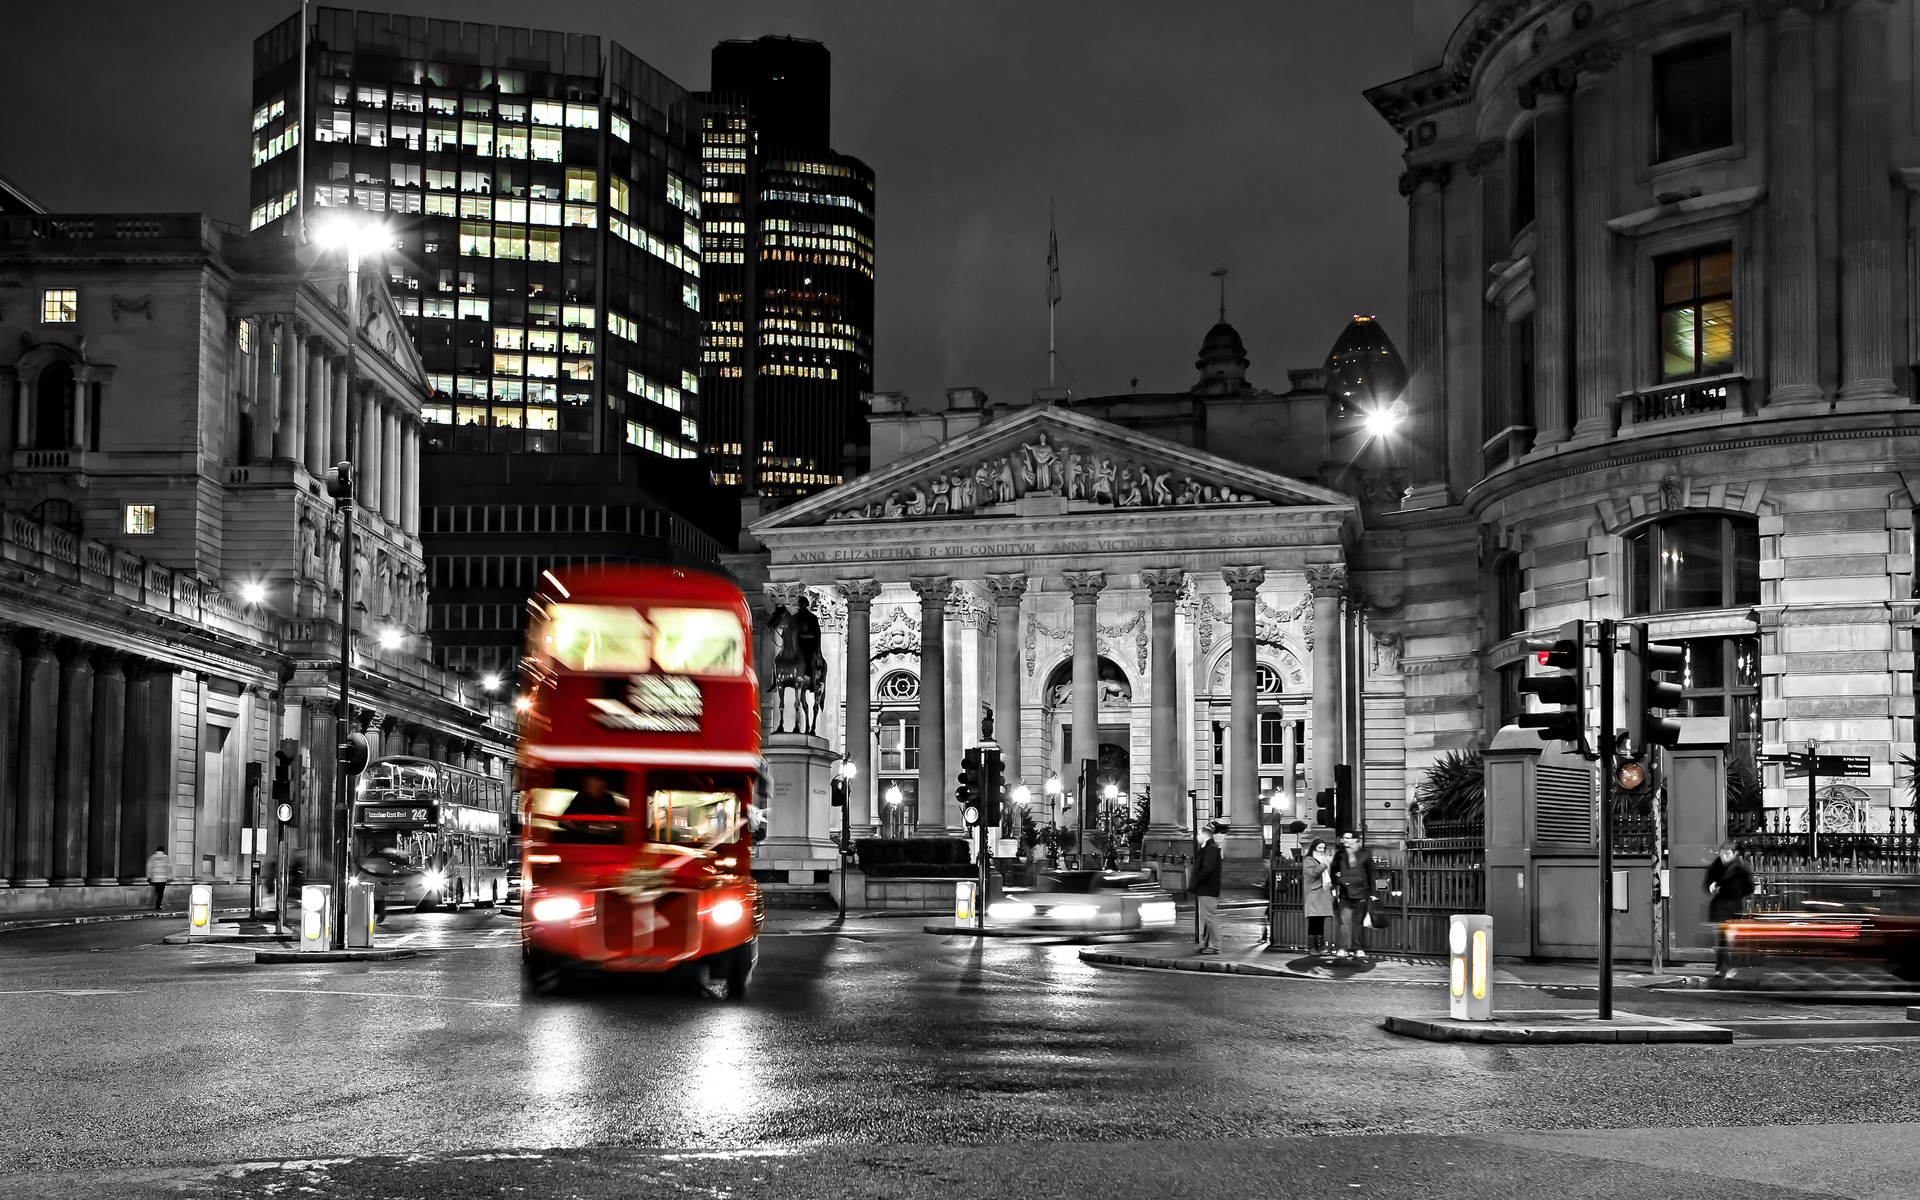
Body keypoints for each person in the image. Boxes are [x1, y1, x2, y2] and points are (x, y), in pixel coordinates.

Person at [1705, 841, 1755, 975]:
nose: (1724, 857)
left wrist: (1736, 893)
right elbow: (1708, 882)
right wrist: (1712, 885)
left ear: (1734, 854)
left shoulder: (1741, 868)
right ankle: (1722, 968)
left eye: (1727, 854)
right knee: (1723, 939)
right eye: (1722, 854)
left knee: (1728, 940)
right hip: (1720, 908)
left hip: (1733, 908)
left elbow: (1750, 888)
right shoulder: (1717, 865)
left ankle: (1725, 969)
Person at [1331, 830, 1374, 960]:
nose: (1346, 840)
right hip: (1345, 893)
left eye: (1349, 838)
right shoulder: (1340, 855)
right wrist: (1339, 881)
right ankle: (1343, 947)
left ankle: (1359, 948)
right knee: (1344, 922)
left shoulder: (1365, 854)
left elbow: (1371, 874)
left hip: (1361, 892)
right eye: (1344, 837)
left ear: (1356, 840)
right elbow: (1333, 871)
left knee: (1358, 922)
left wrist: (1373, 893)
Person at [1191, 820, 1225, 955]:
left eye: (1199, 835)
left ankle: (1216, 945)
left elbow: (1208, 868)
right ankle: (1205, 943)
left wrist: (1198, 881)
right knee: (1206, 918)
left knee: (1210, 918)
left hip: (1207, 888)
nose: (1196, 837)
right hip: (1206, 888)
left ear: (1205, 835)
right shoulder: (1209, 848)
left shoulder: (1211, 849)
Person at [1301, 838, 1335, 955]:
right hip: (1314, 893)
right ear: (1313, 848)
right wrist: (1325, 864)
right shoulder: (1309, 859)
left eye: (1323, 848)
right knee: (1314, 920)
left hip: (1324, 892)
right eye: (1319, 848)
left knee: (1321, 920)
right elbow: (1314, 873)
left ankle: (1320, 947)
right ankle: (1312, 947)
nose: (1322, 850)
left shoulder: (1324, 859)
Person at [145, 845, 172, 912]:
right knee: (160, 893)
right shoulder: (166, 857)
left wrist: (148, 876)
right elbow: (169, 867)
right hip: (163, 878)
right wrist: (169, 876)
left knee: (155, 891)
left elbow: (149, 866)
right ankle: (158, 905)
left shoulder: (152, 857)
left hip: (155, 878)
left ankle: (152, 903)